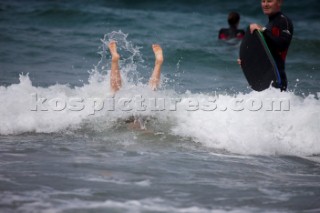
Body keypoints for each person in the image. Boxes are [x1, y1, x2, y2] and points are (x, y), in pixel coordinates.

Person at [108, 41, 164, 130]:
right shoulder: (143, 127)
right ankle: (158, 63)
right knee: (116, 92)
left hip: (132, 114)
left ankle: (158, 63)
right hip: (140, 114)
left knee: (116, 92)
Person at [240, 0, 293, 91]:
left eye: (269, 1)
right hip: (268, 80)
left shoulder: (283, 21)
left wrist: (263, 30)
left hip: (278, 79)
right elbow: (266, 53)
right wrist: (246, 60)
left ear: (279, 2)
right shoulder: (270, 24)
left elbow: (282, 45)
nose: (265, 4)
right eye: (263, 1)